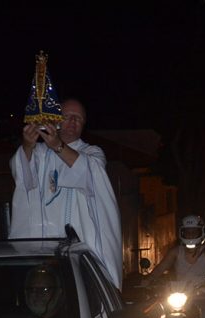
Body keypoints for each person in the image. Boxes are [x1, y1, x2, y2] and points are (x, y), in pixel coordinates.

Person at [9, 98, 123, 289]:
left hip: (81, 258)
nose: (72, 121)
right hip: (44, 256)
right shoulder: (40, 153)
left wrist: (57, 145)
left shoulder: (92, 153)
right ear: (55, 120)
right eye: (67, 116)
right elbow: (22, 175)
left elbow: (88, 172)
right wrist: (28, 144)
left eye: (78, 118)